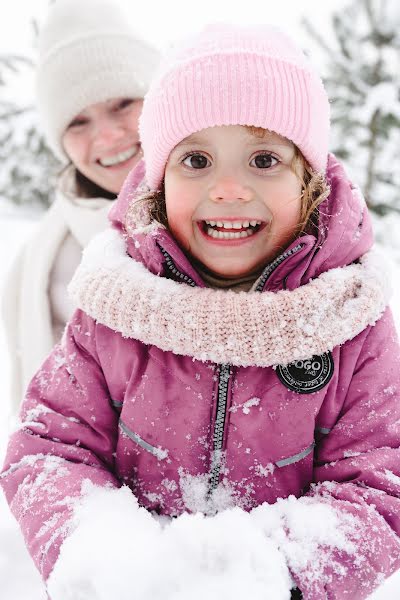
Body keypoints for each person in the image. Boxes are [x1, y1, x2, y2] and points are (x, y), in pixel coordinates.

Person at [2, 23, 400, 600]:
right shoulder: (116, 309)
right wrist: (101, 559)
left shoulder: (349, 321)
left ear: (310, 179)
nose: (229, 188)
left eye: (263, 158)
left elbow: (380, 480)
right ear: (159, 181)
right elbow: (49, 446)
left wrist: (276, 577)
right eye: (196, 160)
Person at [2, 0, 159, 410]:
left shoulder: (239, 217)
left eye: (122, 103)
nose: (108, 137)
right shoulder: (44, 267)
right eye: (77, 121)